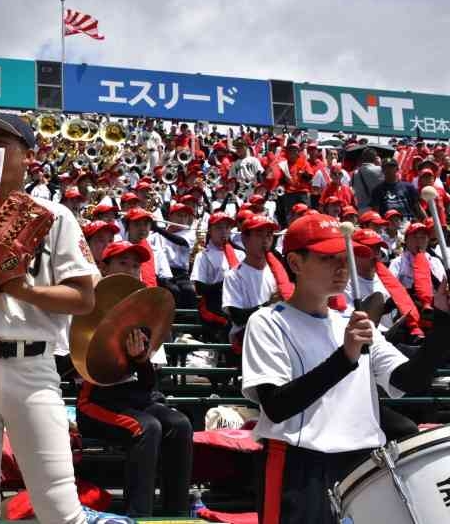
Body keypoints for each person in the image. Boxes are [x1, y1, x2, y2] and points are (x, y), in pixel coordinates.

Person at [0, 113, 133, 524]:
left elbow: (85, 298)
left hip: (31, 366)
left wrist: (21, 289)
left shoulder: (55, 215)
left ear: (28, 156)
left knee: (59, 509)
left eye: (2, 142)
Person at [242, 213, 450, 524]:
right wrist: (345, 357)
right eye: (328, 258)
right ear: (296, 263)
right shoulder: (267, 321)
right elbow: (276, 406)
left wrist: (444, 319)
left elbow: (409, 379)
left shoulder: (351, 322)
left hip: (362, 465)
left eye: (344, 257)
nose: (342, 267)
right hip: (299, 468)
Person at [76, 241, 193, 518]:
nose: (130, 270)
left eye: (136, 266)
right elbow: (75, 371)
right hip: (97, 402)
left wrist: (140, 360)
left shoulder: (149, 313)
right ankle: (138, 515)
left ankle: (176, 514)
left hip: (138, 400)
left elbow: (149, 385)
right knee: (146, 428)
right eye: (122, 263)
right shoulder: (84, 311)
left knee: (181, 424)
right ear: (104, 268)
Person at [222, 215, 289, 354]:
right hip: (247, 334)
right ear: (245, 240)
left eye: (269, 235)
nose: (265, 240)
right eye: (259, 235)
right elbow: (237, 317)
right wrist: (268, 304)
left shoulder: (277, 272)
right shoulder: (234, 275)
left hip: (275, 329)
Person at [191, 212, 245, 342]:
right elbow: (199, 287)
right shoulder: (203, 255)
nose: (224, 231)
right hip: (213, 303)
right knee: (229, 324)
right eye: (219, 228)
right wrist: (225, 283)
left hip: (239, 301)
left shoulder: (241, 254)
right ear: (210, 230)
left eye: (227, 228)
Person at [351, 148, 384, 212]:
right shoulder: (380, 170)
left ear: (363, 158)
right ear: (375, 158)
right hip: (377, 209)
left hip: (361, 210)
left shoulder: (355, 173)